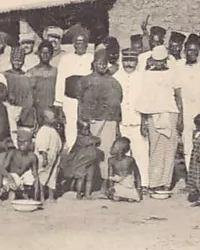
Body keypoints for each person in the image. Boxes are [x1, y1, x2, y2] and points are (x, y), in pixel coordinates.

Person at [136, 45, 184, 193]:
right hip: (152, 113)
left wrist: (181, 116)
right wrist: (143, 120)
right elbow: (144, 97)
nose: (158, 64)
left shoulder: (173, 72)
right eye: (156, 61)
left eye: (161, 61)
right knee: (155, 148)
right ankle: (154, 183)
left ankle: (166, 182)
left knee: (170, 148)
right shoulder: (146, 74)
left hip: (170, 112)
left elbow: (178, 95)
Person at [76, 45, 123, 183]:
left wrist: (117, 124)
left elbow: (118, 102)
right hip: (91, 121)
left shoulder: (114, 82)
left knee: (106, 152)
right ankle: (86, 183)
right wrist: (80, 119)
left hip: (109, 120)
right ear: (93, 64)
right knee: (89, 152)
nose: (102, 66)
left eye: (104, 63)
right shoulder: (85, 80)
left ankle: (105, 182)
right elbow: (79, 101)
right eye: (99, 63)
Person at [114, 48, 149, 192]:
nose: (129, 63)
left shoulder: (143, 77)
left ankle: (144, 184)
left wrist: (144, 121)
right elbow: (114, 103)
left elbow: (146, 101)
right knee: (124, 154)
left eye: (132, 60)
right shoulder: (116, 77)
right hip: (122, 121)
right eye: (126, 60)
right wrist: (116, 125)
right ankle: (126, 185)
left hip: (138, 121)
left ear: (136, 61)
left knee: (141, 153)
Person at [54, 26, 93, 149]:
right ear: (73, 44)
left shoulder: (92, 58)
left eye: (82, 42)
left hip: (87, 102)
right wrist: (59, 105)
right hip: (69, 101)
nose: (80, 45)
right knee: (70, 129)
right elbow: (60, 81)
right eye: (77, 42)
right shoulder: (65, 59)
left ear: (87, 44)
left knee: (86, 128)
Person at [179, 38, 200, 171]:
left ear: (198, 51)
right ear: (184, 51)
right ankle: (190, 177)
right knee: (188, 145)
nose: (191, 53)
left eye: (194, 50)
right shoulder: (179, 67)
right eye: (188, 50)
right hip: (186, 111)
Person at [62, 120, 101, 199]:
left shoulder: (89, 136)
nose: (87, 131)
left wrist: (94, 138)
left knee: (90, 178)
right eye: (85, 129)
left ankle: (87, 194)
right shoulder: (79, 138)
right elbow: (91, 141)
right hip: (82, 161)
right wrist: (94, 139)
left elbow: (98, 140)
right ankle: (79, 194)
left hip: (91, 160)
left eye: (88, 129)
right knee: (81, 178)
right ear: (79, 130)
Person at [0, 127, 40, 201]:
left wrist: (36, 197)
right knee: (11, 185)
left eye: (25, 142)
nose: (22, 144)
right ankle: (13, 193)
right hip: (12, 179)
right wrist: (10, 177)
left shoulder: (33, 157)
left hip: (22, 181)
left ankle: (23, 193)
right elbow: (2, 169)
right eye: (20, 141)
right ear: (17, 142)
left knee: (31, 176)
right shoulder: (12, 153)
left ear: (30, 142)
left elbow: (35, 176)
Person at [4, 45, 36, 137]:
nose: (17, 63)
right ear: (11, 60)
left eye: (20, 61)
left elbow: (29, 97)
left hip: (24, 112)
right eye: (15, 60)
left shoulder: (26, 76)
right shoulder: (5, 75)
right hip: (9, 110)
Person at [27, 41, 58, 128]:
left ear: (51, 54)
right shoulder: (31, 72)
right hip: (37, 109)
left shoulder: (56, 72)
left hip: (52, 108)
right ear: (38, 54)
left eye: (48, 52)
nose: (45, 55)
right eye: (42, 52)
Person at [34, 107, 62, 201]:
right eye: (53, 117)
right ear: (45, 119)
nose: (55, 119)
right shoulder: (43, 130)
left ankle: (51, 196)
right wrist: (45, 158)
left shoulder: (53, 130)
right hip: (45, 157)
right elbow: (42, 146)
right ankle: (41, 196)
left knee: (52, 176)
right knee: (42, 175)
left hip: (54, 158)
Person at [106, 137, 141, 202]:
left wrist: (139, 189)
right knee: (114, 194)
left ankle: (127, 196)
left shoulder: (130, 160)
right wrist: (111, 188)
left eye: (113, 147)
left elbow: (137, 174)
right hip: (118, 184)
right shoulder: (111, 160)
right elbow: (110, 177)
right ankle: (123, 196)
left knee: (131, 195)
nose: (110, 148)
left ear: (120, 151)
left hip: (129, 185)